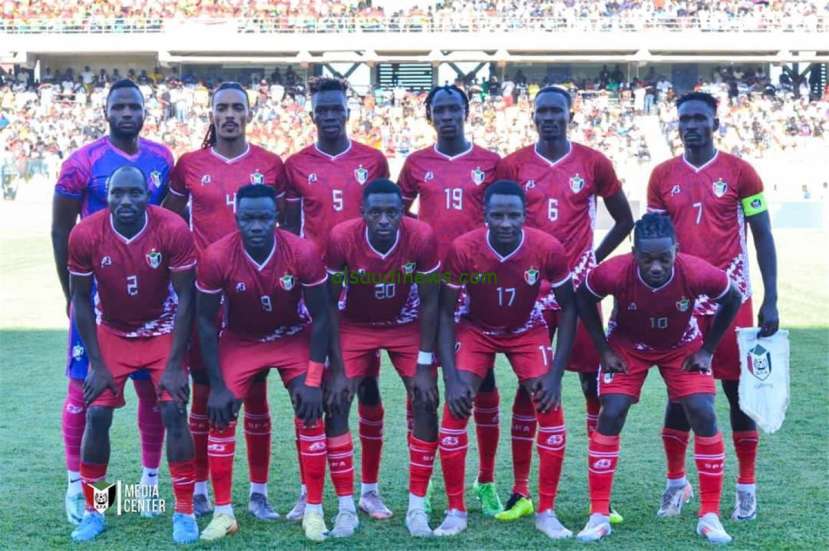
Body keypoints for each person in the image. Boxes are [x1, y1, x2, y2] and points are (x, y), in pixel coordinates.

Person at [494, 85, 633, 522]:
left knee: (592, 384)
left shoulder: (593, 162)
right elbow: (498, 222)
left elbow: (625, 219)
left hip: (580, 292)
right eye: (543, 111)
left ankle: (600, 497)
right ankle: (521, 491)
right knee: (530, 385)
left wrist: (594, 259)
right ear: (533, 116)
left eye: (558, 111)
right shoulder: (513, 165)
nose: (550, 117)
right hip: (532, 292)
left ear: (571, 116)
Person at [648, 91, 779, 522]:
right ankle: (675, 484)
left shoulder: (741, 172)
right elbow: (653, 244)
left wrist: (772, 298)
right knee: (680, 394)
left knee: (738, 394)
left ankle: (746, 488)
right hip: (682, 302)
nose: (691, 125)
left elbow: (762, 235)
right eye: (684, 118)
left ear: (714, 124)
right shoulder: (662, 175)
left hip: (732, 301)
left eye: (699, 118)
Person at [574, 213, 742, 544]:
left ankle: (709, 516)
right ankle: (599, 515)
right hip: (627, 346)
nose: (656, 267)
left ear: (676, 250)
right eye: (647, 258)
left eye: (664, 258)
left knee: (703, 411)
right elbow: (583, 297)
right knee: (611, 412)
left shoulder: (695, 271)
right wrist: (603, 349)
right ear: (633, 252)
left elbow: (733, 297)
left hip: (681, 346)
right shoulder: (613, 271)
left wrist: (707, 350)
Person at [51, 78, 173, 525]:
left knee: (151, 392)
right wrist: (71, 294)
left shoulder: (162, 159)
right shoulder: (81, 163)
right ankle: (76, 488)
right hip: (98, 300)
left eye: (133, 106)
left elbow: (166, 223)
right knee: (83, 390)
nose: (126, 113)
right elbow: (60, 231)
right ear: (106, 112)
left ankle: (148, 483)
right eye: (118, 106)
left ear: (144, 112)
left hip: (151, 299)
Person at [163, 81, 286, 520]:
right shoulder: (190, 165)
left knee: (256, 393)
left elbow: (285, 228)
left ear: (249, 114)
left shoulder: (270, 165)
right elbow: (169, 222)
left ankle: (258, 492)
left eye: (237, 108)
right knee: (203, 392)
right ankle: (199, 488)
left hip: (255, 294)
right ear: (212, 115)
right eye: (222, 108)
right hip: (206, 297)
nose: (230, 115)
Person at [434, 180, 577, 540]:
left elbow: (570, 308)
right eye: (497, 215)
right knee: (456, 407)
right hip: (476, 328)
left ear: (525, 215)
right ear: (484, 215)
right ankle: (455, 510)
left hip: (526, 329)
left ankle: (546, 511)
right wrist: (451, 378)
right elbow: (445, 313)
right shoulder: (463, 249)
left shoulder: (547, 248)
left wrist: (556, 375)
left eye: (513, 215)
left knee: (550, 407)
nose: (505, 223)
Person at [67, 166, 199, 543]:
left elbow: (187, 298)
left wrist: (175, 364)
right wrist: (96, 364)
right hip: (113, 332)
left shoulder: (172, 228)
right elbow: (80, 299)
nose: (126, 201)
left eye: (135, 193)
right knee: (97, 415)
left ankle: (184, 512)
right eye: (118, 193)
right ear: (107, 196)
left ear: (148, 196)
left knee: (174, 410)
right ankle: (95, 510)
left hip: (162, 329)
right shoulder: (86, 233)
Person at [195, 184, 332, 542]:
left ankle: (314, 510)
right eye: (247, 218)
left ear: (277, 217)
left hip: (291, 336)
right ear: (236, 218)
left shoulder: (302, 251)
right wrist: (217, 386)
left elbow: (322, 316)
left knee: (310, 408)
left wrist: (314, 379)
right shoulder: (216, 256)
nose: (256, 226)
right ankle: (224, 513)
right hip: (242, 340)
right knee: (221, 412)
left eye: (264, 218)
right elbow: (205, 323)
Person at [282, 76, 391, 520]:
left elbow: (386, 221)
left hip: (364, 293)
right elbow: (289, 231)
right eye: (322, 110)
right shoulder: (295, 165)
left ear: (348, 112)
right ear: (313, 115)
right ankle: (307, 491)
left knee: (366, 386)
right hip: (315, 292)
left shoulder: (373, 160)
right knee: (313, 389)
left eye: (336, 109)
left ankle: (370, 489)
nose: (329, 116)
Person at [397, 84, 504, 516]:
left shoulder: (490, 163)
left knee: (483, 383)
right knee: (421, 384)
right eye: (439, 110)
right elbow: (397, 212)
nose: (447, 116)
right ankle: (420, 488)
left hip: (478, 286)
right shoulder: (416, 163)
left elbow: (506, 217)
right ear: (430, 116)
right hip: (429, 287)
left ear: (466, 112)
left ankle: (486, 480)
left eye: (453, 109)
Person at [324, 179, 441, 538]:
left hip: (404, 322)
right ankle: (346, 508)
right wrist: (337, 368)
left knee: (426, 400)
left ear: (403, 211)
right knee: (337, 401)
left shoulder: (421, 236)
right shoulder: (342, 237)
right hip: (355, 324)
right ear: (362, 212)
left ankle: (416, 508)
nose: (385, 220)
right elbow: (329, 304)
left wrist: (425, 364)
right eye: (376, 212)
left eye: (392, 212)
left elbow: (431, 302)